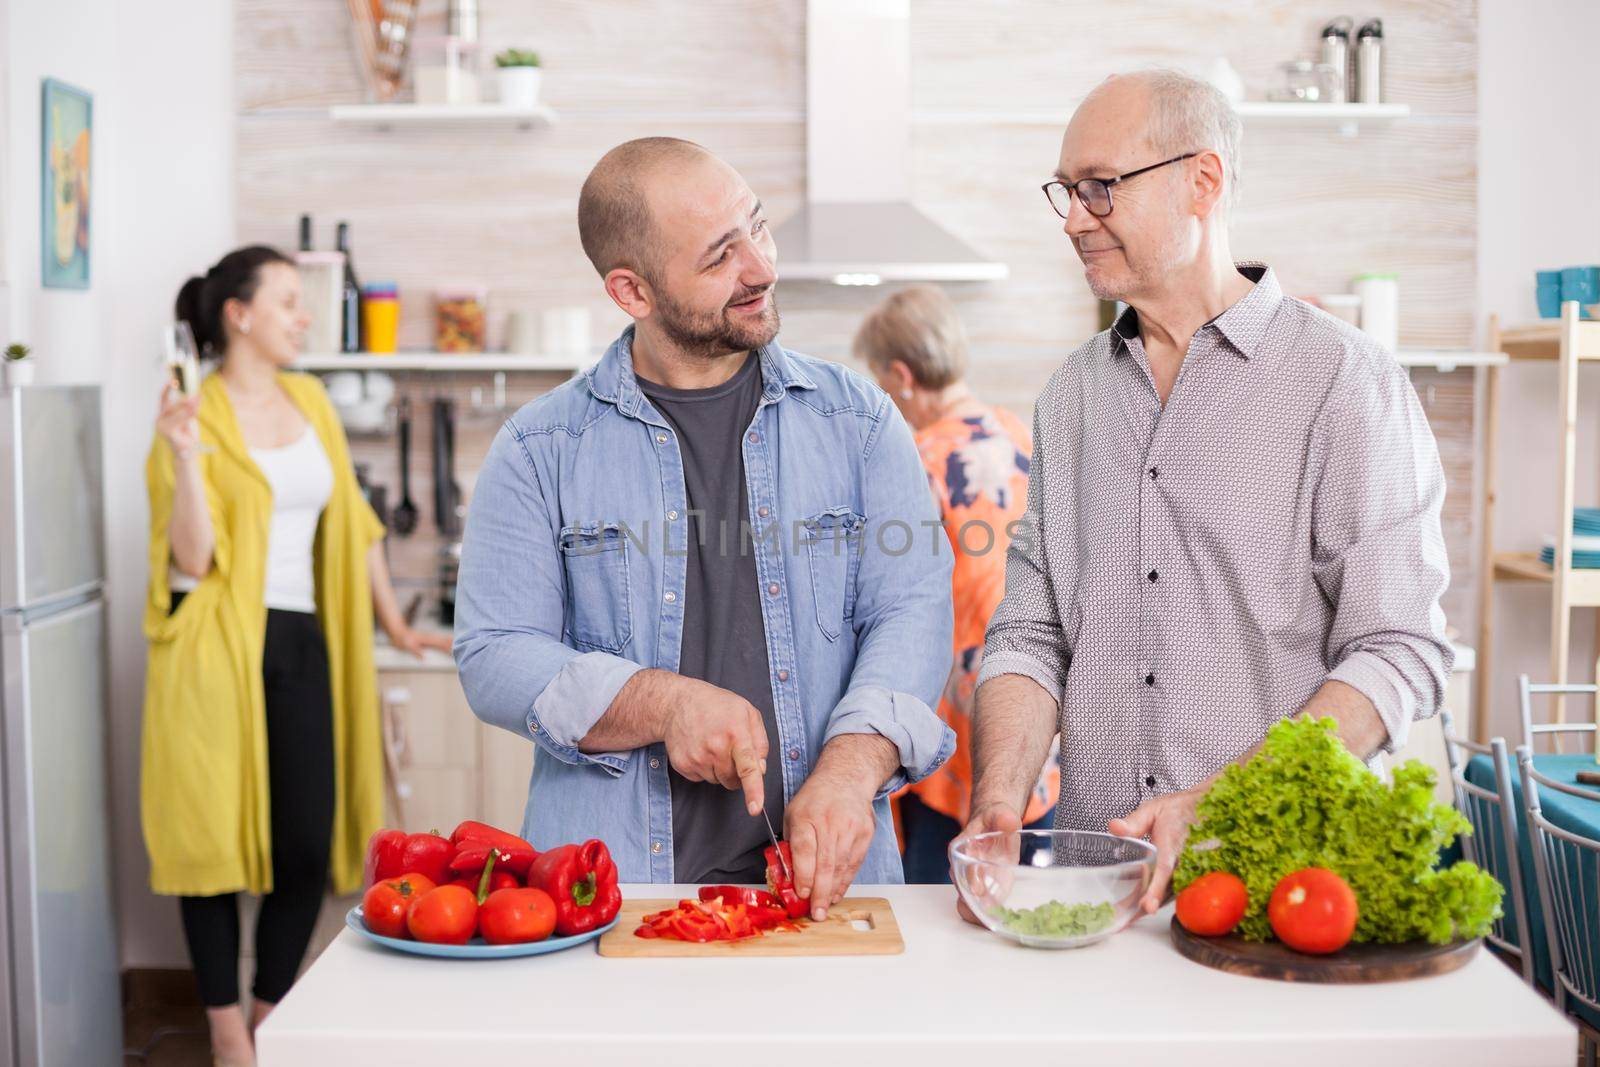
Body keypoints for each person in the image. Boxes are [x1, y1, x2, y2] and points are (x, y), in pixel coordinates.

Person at [958, 70, 1453, 916]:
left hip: (1284, 897)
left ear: (1204, 180)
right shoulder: (1072, 395)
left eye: (1101, 189)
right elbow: (1031, 634)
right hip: (1096, 892)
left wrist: (1217, 805)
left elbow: (1398, 647)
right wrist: (999, 800)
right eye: (1067, 193)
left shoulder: (1344, 380)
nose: (1076, 219)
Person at [455, 138, 955, 915]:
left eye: (758, 228)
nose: (760, 267)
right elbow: (493, 653)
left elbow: (913, 606)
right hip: (616, 901)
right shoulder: (538, 449)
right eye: (722, 254)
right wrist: (662, 703)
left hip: (829, 898)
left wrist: (850, 769)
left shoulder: (858, 421)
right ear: (634, 292)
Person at [143, 245, 449, 1066]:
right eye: (288, 300)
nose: (304, 315)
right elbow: (192, 560)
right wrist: (181, 456)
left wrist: (399, 625)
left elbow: (355, 524)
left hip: (304, 640)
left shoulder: (310, 398)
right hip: (217, 652)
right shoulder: (193, 416)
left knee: (307, 849)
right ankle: (224, 1032)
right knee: (211, 846)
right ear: (238, 315)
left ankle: (269, 1011)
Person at [852, 285, 1058, 883]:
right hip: (1028, 691)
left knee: (942, 889)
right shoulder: (1021, 434)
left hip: (951, 702)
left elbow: (884, 592)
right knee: (1024, 879)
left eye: (884, 383)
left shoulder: (916, 458)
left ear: (902, 375)